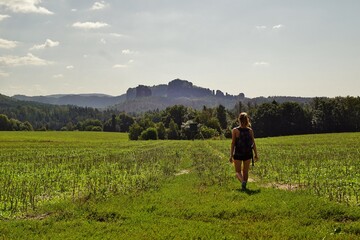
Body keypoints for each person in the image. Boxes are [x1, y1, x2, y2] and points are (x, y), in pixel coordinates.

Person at [229, 112, 258, 190]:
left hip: (238, 153)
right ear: (247, 120)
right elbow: (253, 143)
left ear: (239, 120)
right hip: (248, 153)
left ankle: (243, 183)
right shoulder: (250, 130)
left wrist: (231, 155)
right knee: (245, 171)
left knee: (238, 171)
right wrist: (256, 154)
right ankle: (244, 186)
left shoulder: (235, 130)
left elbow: (233, 143)